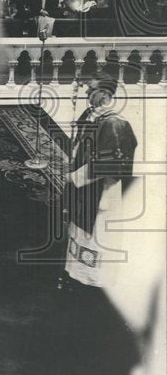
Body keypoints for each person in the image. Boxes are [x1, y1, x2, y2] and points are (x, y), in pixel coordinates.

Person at [62, 74, 138, 289]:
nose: (87, 94)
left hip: (102, 190)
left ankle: (92, 282)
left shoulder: (115, 123)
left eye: (91, 91)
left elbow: (110, 163)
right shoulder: (92, 115)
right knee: (79, 230)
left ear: (105, 94)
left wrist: (74, 177)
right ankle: (75, 273)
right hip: (85, 188)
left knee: (96, 236)